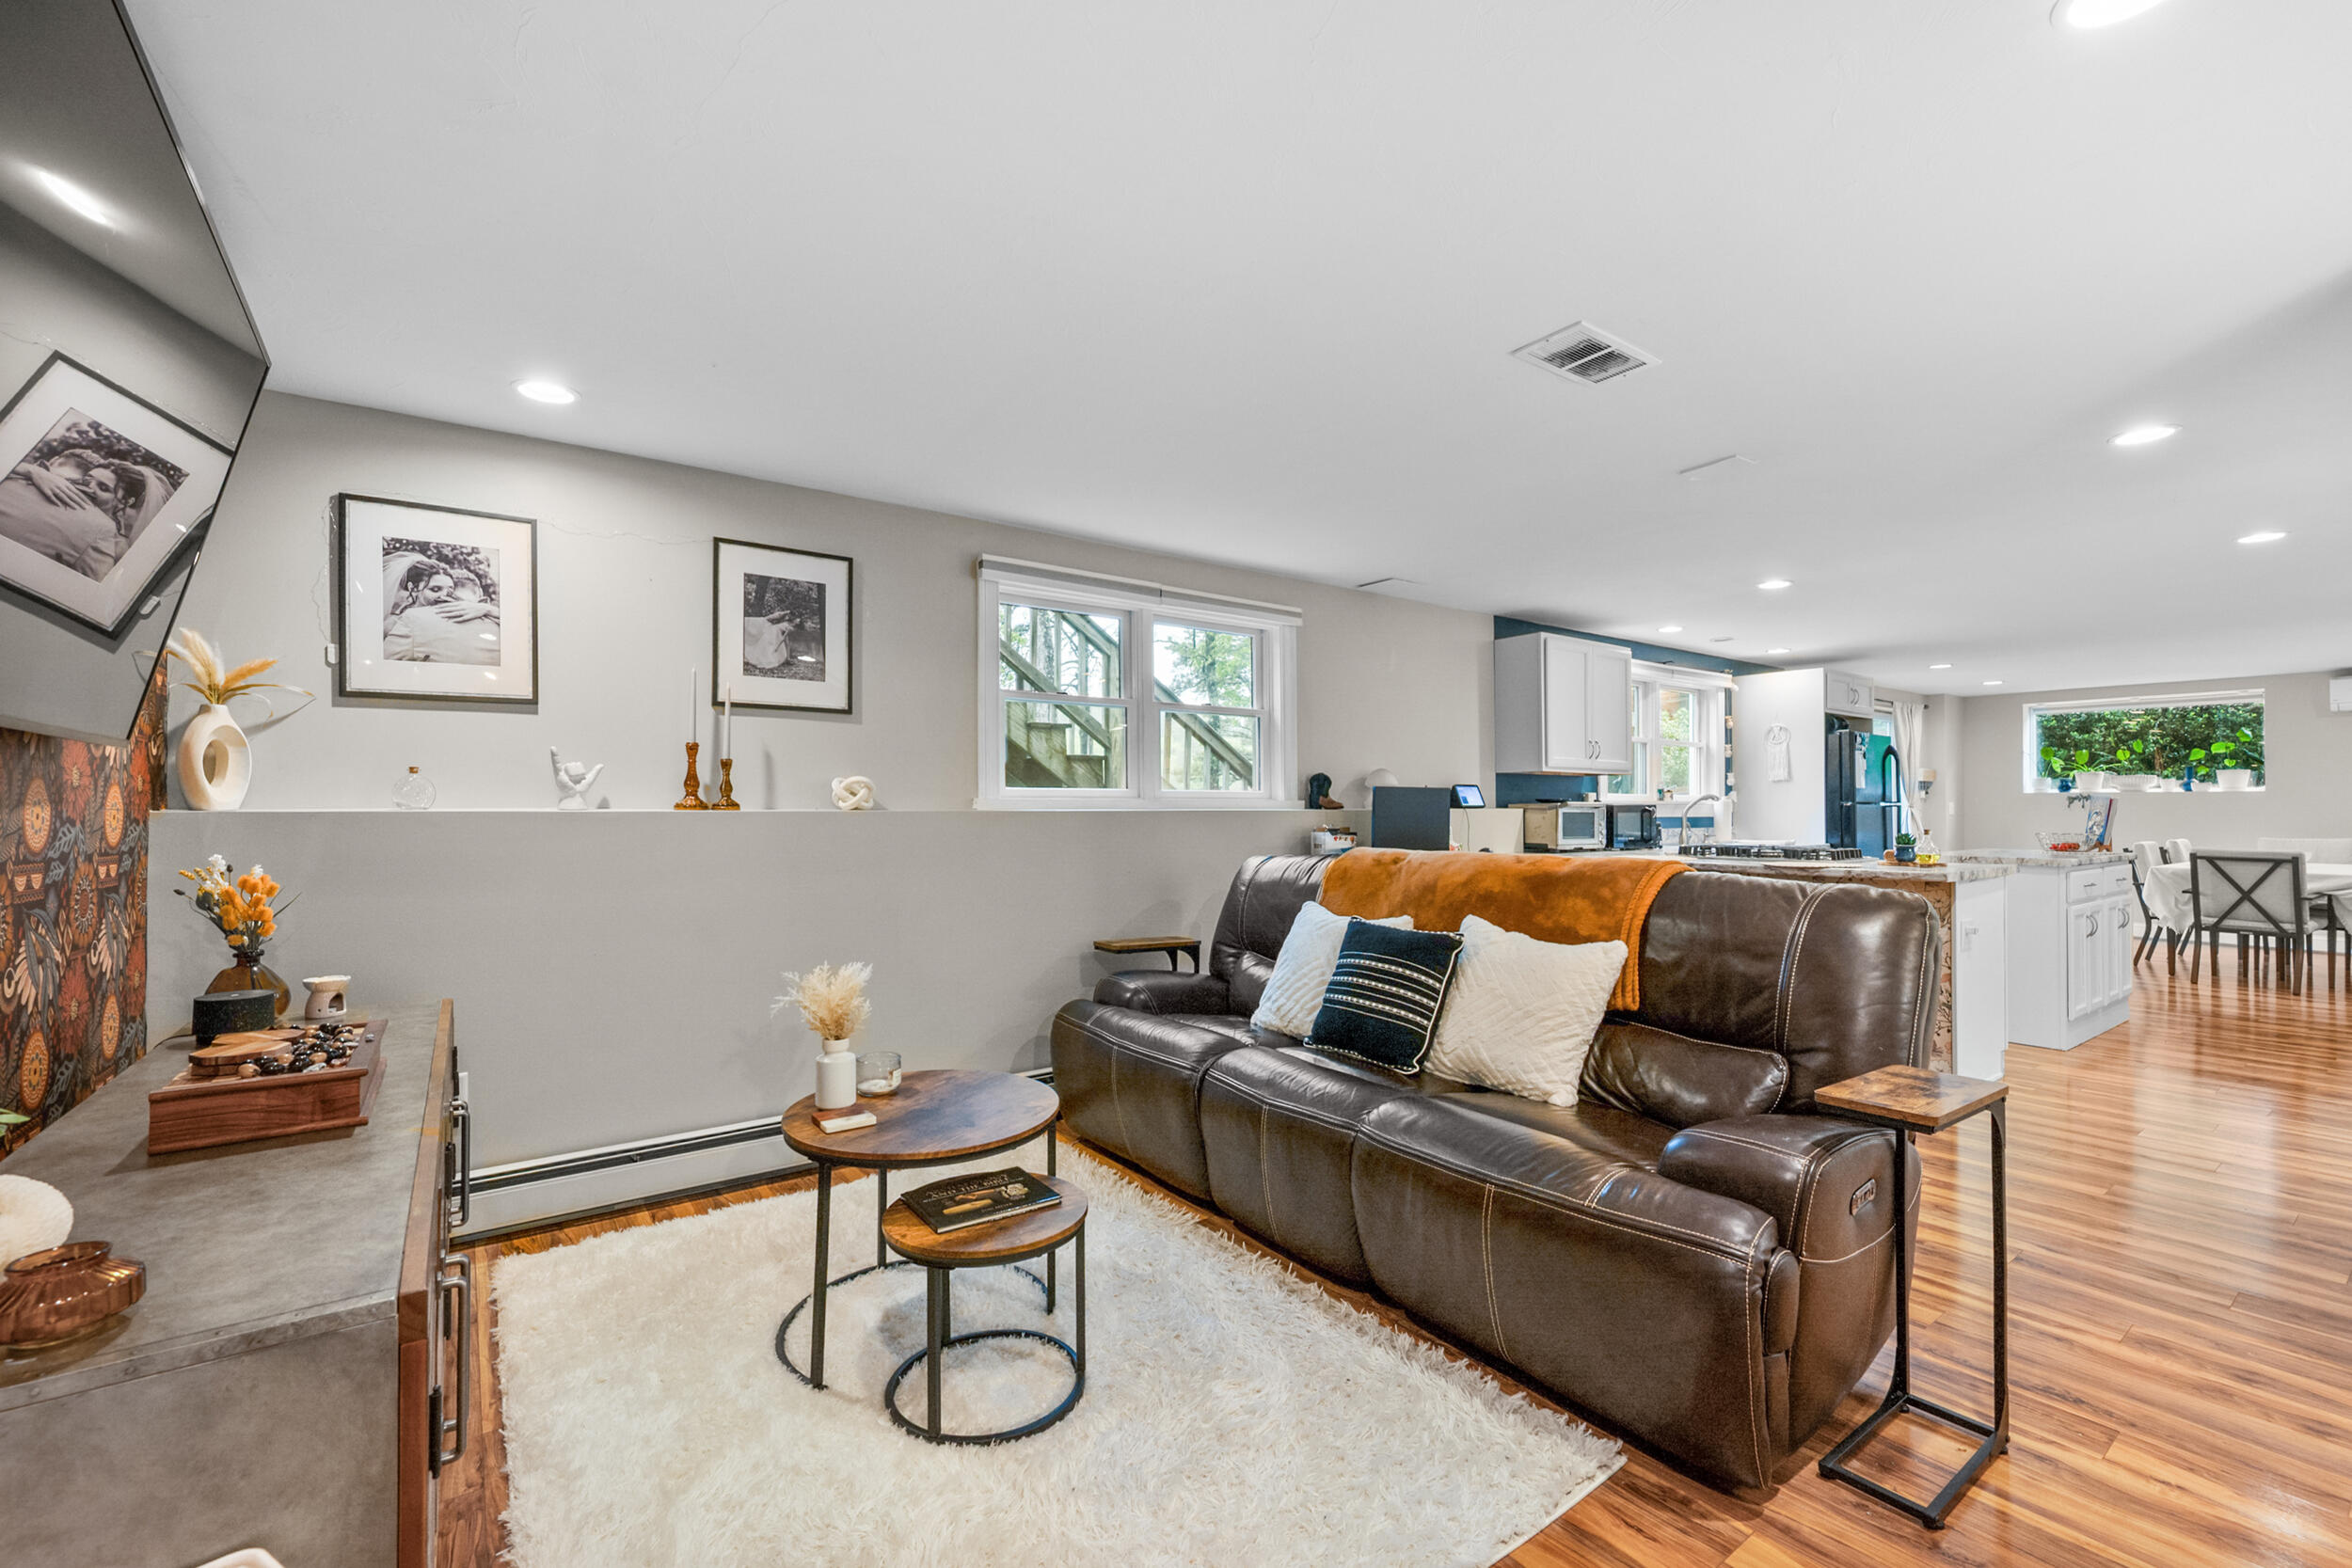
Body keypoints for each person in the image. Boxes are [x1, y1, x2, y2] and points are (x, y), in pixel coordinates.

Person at [382, 556, 501, 663]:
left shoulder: (456, 616)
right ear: (412, 588)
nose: (444, 596)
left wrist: (487, 609)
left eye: (450, 590)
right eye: (435, 589)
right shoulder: (399, 622)